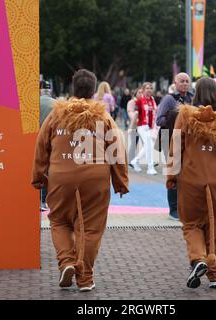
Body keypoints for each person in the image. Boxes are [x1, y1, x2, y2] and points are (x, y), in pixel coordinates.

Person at [32, 69, 129, 292]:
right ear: (94, 90)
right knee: (91, 228)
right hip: (95, 176)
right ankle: (84, 277)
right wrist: (120, 180)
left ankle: (66, 261)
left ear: (73, 87)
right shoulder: (102, 116)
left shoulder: (57, 114)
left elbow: (41, 146)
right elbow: (116, 147)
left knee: (59, 221)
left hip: (61, 176)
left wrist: (38, 176)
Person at [167, 77, 216, 289]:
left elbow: (175, 148)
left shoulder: (184, 117)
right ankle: (215, 274)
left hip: (190, 181)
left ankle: (199, 258)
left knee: (191, 224)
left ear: (196, 93)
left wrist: (171, 177)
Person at [156, 72, 193, 221]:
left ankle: (183, 206)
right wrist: (176, 120)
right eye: (182, 81)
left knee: (186, 174)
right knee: (173, 173)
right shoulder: (169, 99)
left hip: (185, 140)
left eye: (187, 81)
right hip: (169, 138)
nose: (184, 83)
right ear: (175, 83)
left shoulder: (192, 98)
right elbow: (159, 120)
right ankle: (173, 209)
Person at [130, 82, 158, 175]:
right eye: (147, 88)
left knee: (148, 146)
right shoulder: (139, 101)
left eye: (150, 88)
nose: (149, 90)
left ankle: (135, 160)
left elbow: (155, 113)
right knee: (149, 145)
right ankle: (150, 168)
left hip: (151, 126)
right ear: (143, 89)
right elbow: (135, 114)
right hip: (142, 126)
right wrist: (131, 127)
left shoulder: (153, 100)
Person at [39, 80, 56, 211]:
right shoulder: (56, 104)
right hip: (50, 140)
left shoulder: (34, 102)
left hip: (33, 139)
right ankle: (44, 200)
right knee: (48, 169)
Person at [127, 88, 143, 164]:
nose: (141, 94)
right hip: (135, 126)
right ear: (135, 93)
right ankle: (130, 160)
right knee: (134, 143)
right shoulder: (132, 102)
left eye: (142, 92)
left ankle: (150, 160)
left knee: (147, 144)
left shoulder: (145, 102)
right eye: (139, 92)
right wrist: (137, 119)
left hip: (144, 126)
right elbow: (130, 112)